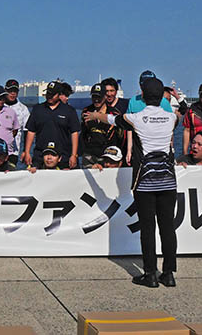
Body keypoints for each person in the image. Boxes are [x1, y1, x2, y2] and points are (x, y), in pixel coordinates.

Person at [83, 77, 179, 288]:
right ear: (162, 96)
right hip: (168, 180)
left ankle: (150, 274)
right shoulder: (171, 118)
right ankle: (169, 273)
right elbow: (179, 116)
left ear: (143, 95)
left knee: (147, 228)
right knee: (167, 227)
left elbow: (111, 119)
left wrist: (95, 115)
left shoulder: (136, 118)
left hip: (145, 180)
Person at [22, 81, 80, 169]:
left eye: (52, 94)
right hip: (41, 156)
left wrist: (74, 155)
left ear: (59, 94)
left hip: (63, 156)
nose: (49, 96)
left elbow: (74, 133)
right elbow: (31, 131)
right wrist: (27, 152)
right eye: (48, 93)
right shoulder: (37, 109)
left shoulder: (69, 111)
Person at [80, 83, 124, 167]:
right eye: (94, 97)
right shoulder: (86, 112)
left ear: (105, 97)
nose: (96, 100)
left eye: (99, 97)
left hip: (108, 156)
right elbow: (83, 133)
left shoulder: (114, 113)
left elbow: (120, 136)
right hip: (89, 155)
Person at [0, 84, 20, 165]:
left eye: (3, 97)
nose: (1, 100)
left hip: (8, 155)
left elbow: (15, 130)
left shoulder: (11, 112)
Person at [4, 79, 31, 161]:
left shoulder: (23, 109)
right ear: (5, 91)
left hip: (14, 151)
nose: (13, 93)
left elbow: (27, 131)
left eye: (15, 91)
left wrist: (25, 151)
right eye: (10, 91)